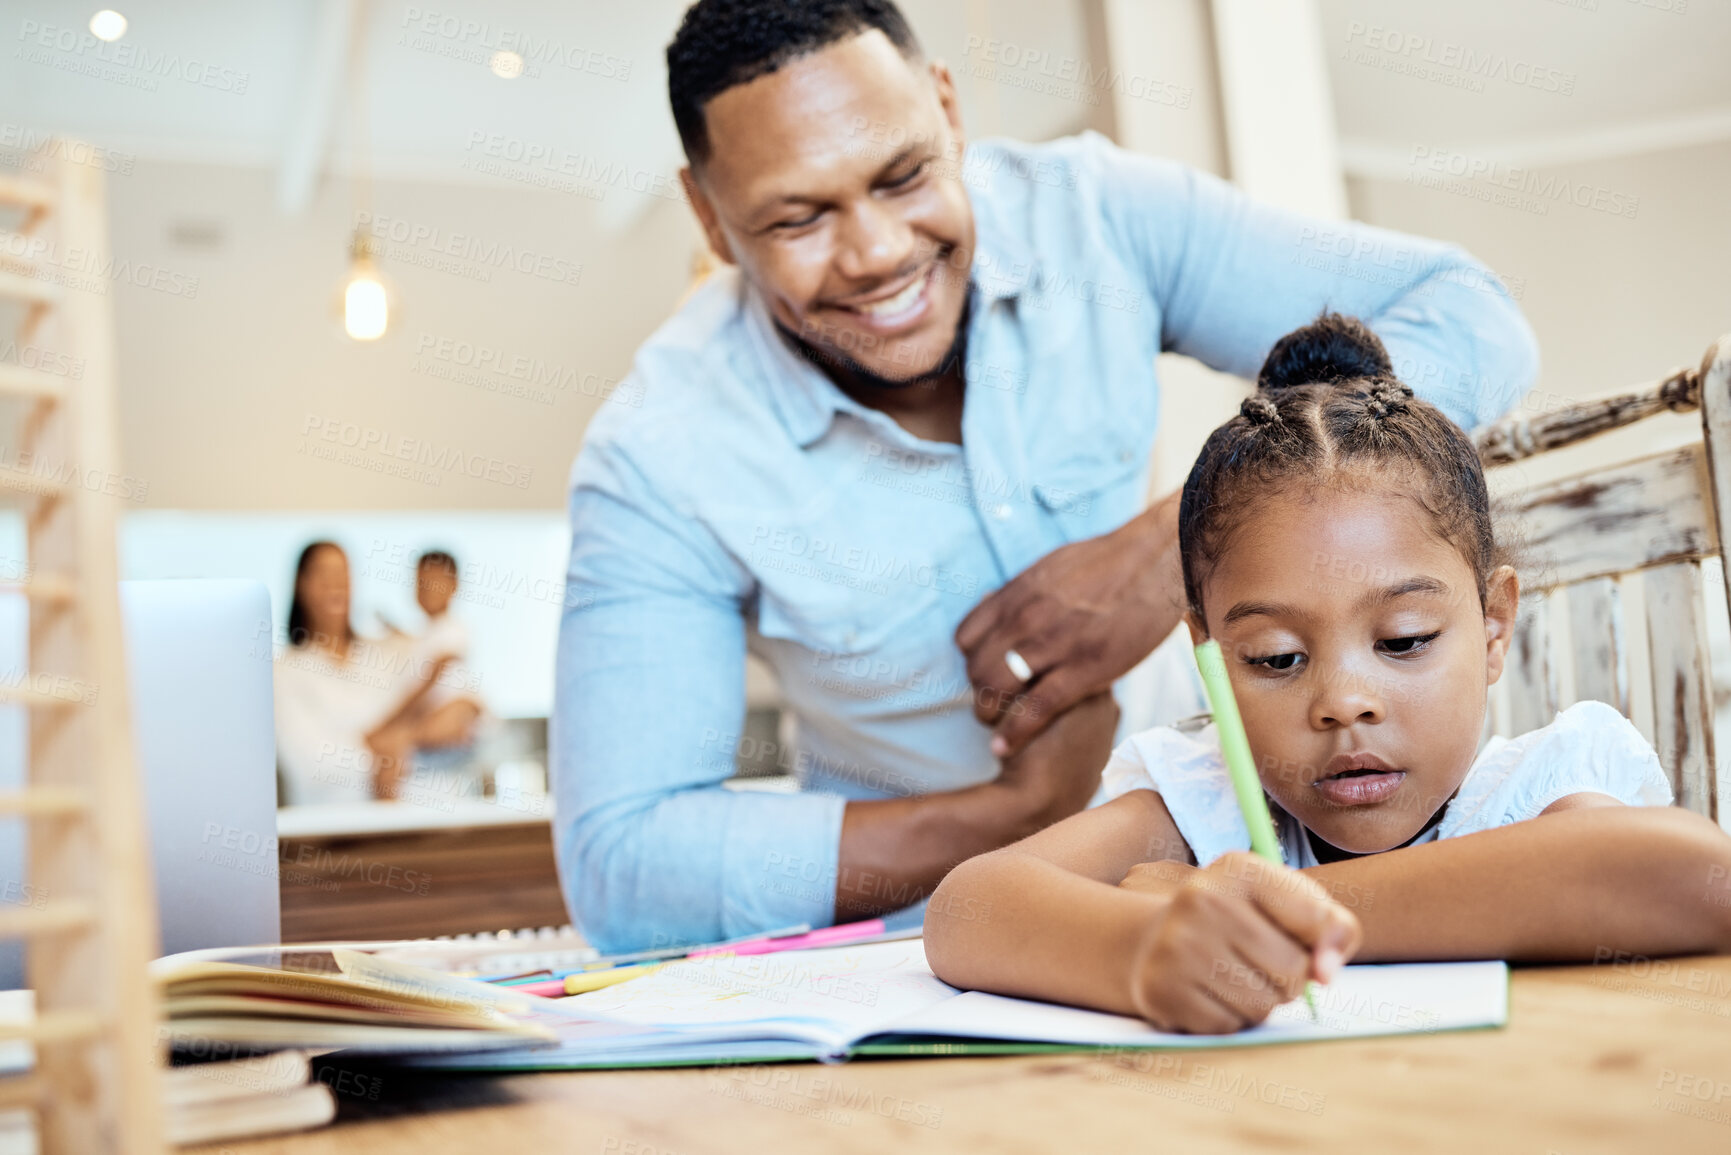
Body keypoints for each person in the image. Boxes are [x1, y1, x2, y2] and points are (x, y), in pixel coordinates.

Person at [554, 0, 1541, 953]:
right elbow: (623, 867)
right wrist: (1014, 812)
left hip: (1251, 890)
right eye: (799, 218)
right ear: (710, 218)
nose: (878, 253)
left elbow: (1470, 315)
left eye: (902, 178)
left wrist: (1168, 555)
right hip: (933, 965)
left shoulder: (1099, 216)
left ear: (946, 107)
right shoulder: (658, 453)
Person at [923, 314, 1731, 1033]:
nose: (1343, 702)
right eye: (1276, 658)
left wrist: (1295, 924)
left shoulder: (1533, 792)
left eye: (1405, 639)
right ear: (1206, 657)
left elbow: (1693, 878)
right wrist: (1142, 948)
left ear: (1492, 624)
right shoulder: (1201, 807)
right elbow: (969, 907)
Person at [273, 542, 481, 804]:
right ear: (300, 585)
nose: (334, 583)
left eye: (343, 573)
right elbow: (309, 765)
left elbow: (466, 712)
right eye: (322, 574)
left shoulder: (393, 653)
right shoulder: (283, 672)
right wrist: (385, 746)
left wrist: (411, 736)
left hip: (420, 821)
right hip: (333, 830)